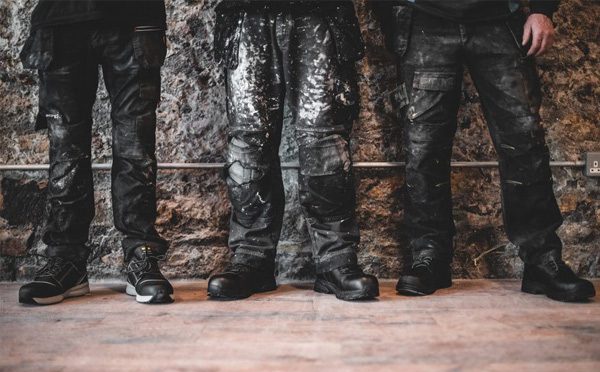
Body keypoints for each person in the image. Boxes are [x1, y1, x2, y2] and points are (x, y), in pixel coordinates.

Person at [372, 0, 595, 302]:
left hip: (501, 17)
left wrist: (542, 9)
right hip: (424, 20)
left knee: (524, 142)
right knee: (424, 147)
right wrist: (392, 16)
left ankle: (542, 260)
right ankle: (429, 257)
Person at [208, 0, 379, 301]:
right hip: (247, 12)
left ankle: (336, 261)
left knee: (323, 143)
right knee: (248, 145)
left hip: (321, 11)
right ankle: (252, 258)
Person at [18, 0, 174, 305]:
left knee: (136, 148)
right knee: (65, 152)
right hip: (61, 17)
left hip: (135, 17)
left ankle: (141, 255)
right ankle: (67, 260)